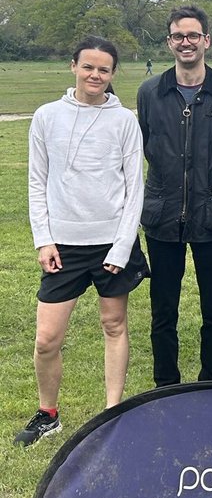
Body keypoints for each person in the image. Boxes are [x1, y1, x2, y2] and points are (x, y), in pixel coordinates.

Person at [15, 37, 148, 447]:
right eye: (88, 67)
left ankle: (112, 414)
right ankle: (48, 414)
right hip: (63, 245)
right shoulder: (46, 116)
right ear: (73, 66)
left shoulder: (124, 120)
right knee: (47, 338)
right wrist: (44, 239)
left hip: (111, 243)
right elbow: (37, 182)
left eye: (104, 70)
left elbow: (134, 189)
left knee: (113, 324)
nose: (95, 75)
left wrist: (122, 247)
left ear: (112, 75)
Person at [137, 6, 212, 387]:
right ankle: (166, 383)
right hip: (163, 216)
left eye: (193, 35)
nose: (186, 42)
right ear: (169, 42)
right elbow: (146, 146)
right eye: (179, 36)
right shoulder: (151, 91)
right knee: (163, 309)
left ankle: (211, 380)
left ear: (206, 41)